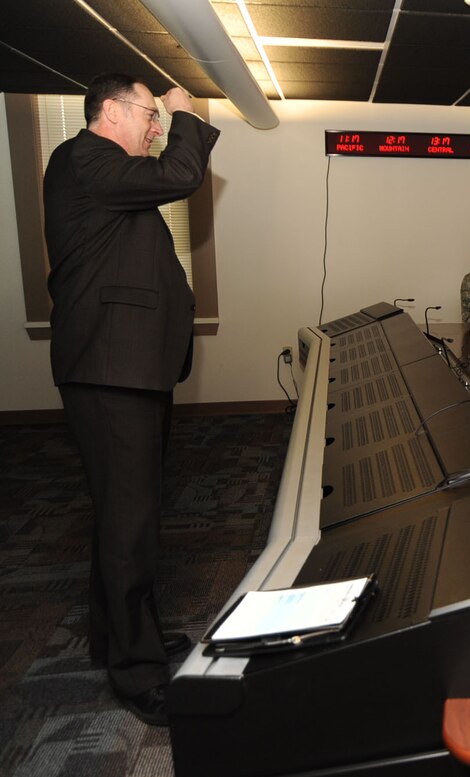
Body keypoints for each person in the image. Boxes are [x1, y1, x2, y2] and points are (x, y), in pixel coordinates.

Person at [43, 73, 220, 726]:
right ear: (112, 112)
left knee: (123, 516)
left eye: (158, 118)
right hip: (111, 367)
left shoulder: (102, 172)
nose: (155, 128)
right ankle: (138, 672)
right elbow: (181, 173)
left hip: (128, 366)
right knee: (130, 523)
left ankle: (119, 638)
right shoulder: (84, 157)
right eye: (149, 116)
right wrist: (183, 112)